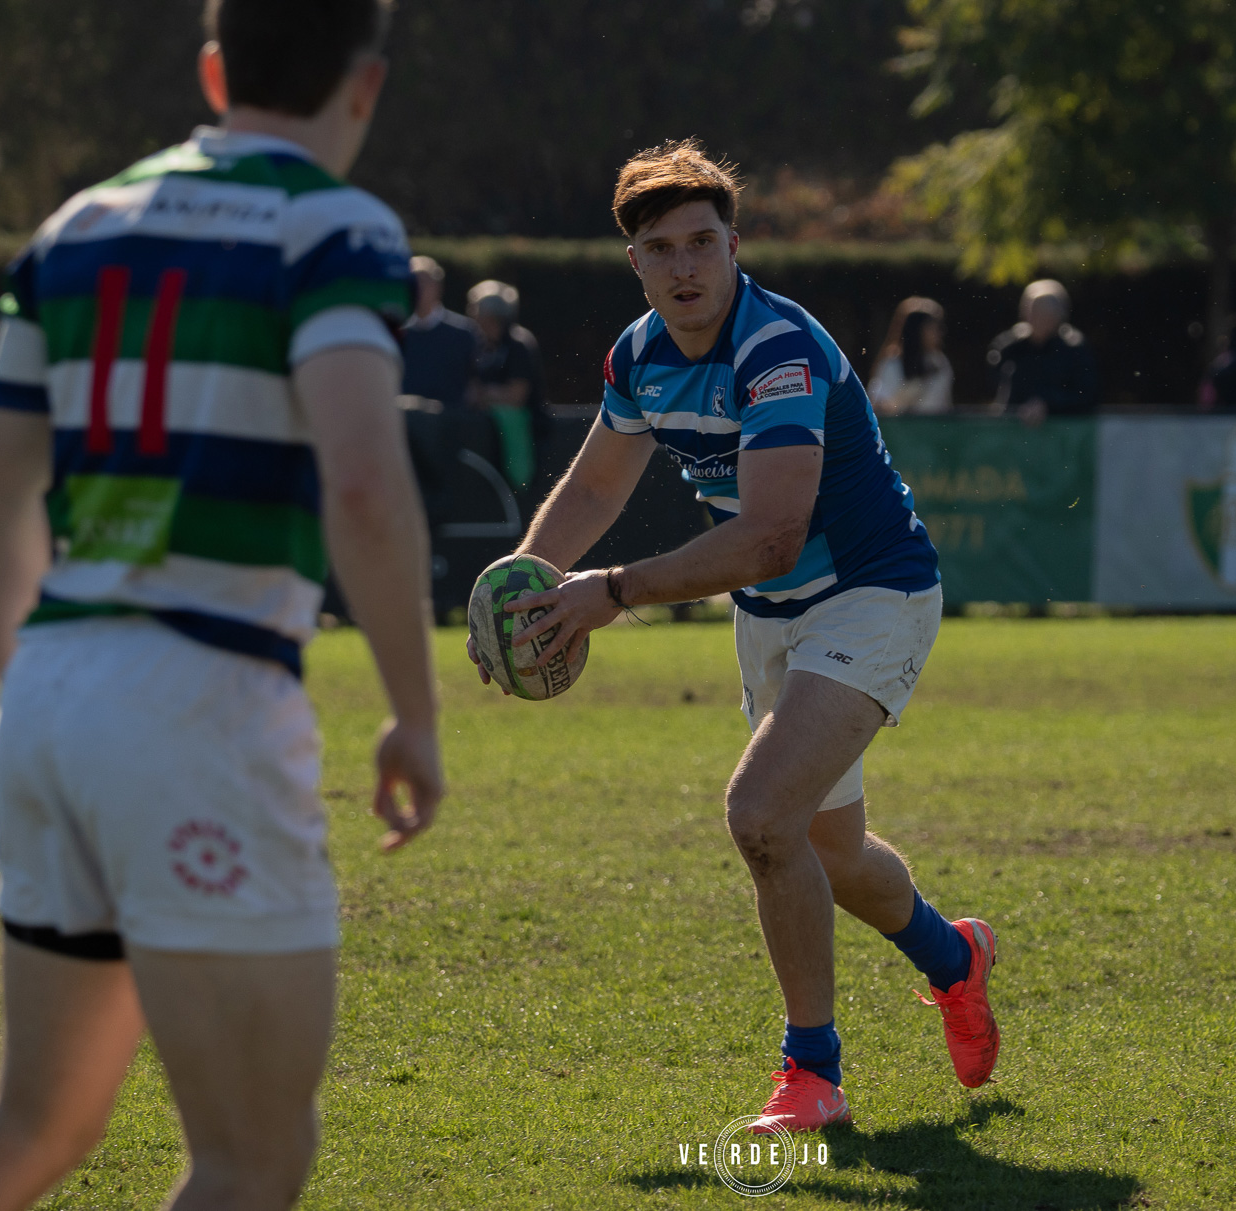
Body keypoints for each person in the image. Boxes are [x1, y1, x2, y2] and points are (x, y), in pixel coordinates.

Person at [0, 3, 445, 1210]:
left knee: (28, 1127)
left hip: (50, 696)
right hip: (203, 701)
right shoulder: (339, 226)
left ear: (215, 68)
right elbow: (363, 482)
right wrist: (413, 710)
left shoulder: (81, 220)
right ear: (370, 87)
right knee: (253, 1159)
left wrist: (46, 693)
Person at [467, 139, 1000, 1134]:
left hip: (872, 590)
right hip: (773, 617)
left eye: (702, 242)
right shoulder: (638, 356)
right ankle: (953, 956)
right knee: (830, 853)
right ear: (634, 262)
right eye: (661, 248)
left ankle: (814, 1076)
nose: (684, 266)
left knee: (760, 815)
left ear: (733, 244)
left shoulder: (775, 349)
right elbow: (592, 486)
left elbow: (769, 535)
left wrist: (612, 590)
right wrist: (528, 587)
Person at [467, 279, 546, 490]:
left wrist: (484, 394)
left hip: (531, 434)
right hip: (488, 435)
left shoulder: (519, 344)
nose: (472, 316)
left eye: (476, 311)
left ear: (491, 316)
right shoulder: (481, 346)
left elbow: (516, 395)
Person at [987, 278, 1098, 422]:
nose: (1036, 319)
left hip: (1063, 435)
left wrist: (1048, 405)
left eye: (1044, 314)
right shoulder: (1009, 348)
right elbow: (997, 384)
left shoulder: (1075, 350)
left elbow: (1087, 397)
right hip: (1015, 432)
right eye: (1033, 312)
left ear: (1060, 316)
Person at [400, 255, 479, 407]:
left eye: (424, 282)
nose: (419, 289)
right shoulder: (398, 333)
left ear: (438, 287)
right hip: (408, 421)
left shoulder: (463, 332)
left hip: (451, 422)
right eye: (414, 282)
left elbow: (474, 384)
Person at [869, 297, 953, 416]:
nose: (939, 333)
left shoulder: (940, 363)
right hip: (900, 432)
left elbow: (944, 406)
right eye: (933, 328)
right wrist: (905, 397)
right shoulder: (892, 364)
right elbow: (880, 406)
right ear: (917, 330)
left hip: (934, 431)